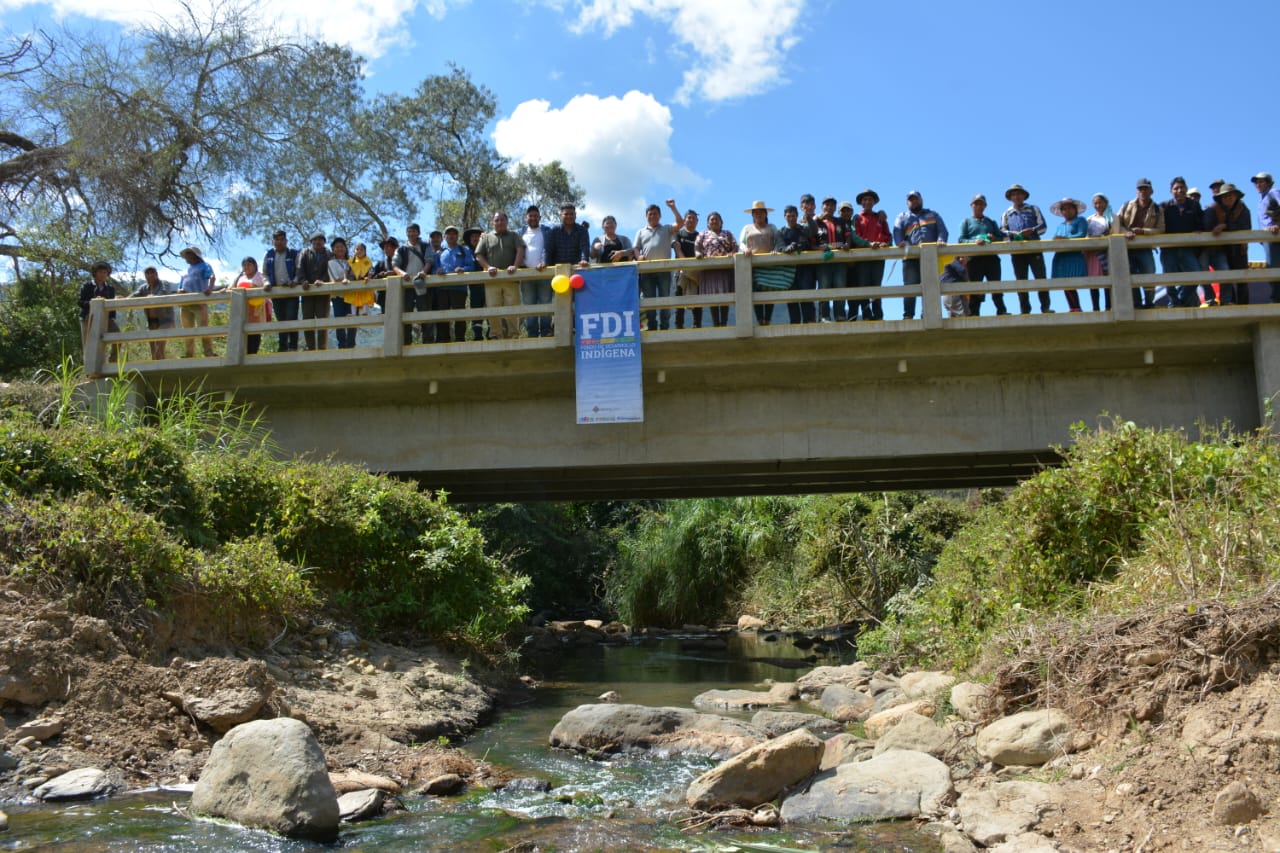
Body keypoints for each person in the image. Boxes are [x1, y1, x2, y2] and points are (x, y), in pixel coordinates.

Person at [892, 190, 948, 320]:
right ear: (907, 203)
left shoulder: (933, 215)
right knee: (910, 287)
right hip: (910, 258)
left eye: (916, 199)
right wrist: (900, 241)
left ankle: (927, 314)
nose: (914, 201)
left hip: (930, 258)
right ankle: (908, 315)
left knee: (930, 285)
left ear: (921, 200)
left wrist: (941, 240)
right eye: (911, 200)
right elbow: (897, 231)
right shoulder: (902, 217)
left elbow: (943, 231)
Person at [1113, 178, 1165, 309]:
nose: (1143, 191)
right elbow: (1117, 223)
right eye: (1140, 189)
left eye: (1145, 188)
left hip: (1145, 248)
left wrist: (1143, 231)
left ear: (1151, 191)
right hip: (1128, 247)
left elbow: (1161, 229)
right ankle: (1136, 303)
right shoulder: (1127, 205)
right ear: (1136, 191)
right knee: (1129, 275)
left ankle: (1149, 302)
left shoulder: (1158, 209)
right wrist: (1126, 233)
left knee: (1149, 272)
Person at [1000, 184, 1051, 314]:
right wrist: (1012, 234)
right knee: (1021, 280)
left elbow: (1043, 227)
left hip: (1034, 248)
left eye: (1019, 194)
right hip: (1017, 251)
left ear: (1024, 195)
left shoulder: (1033, 209)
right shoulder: (1006, 213)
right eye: (1014, 194)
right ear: (1011, 197)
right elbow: (1002, 233)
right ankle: (1025, 309)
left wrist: (1032, 231)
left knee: (1041, 278)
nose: (1017, 196)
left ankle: (1045, 307)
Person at [474, 211, 526, 340]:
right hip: (492, 280)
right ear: (493, 222)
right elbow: (479, 255)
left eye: (502, 220)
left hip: (511, 278)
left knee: (512, 307)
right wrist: (488, 267)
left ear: (507, 222)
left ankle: (513, 335)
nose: (500, 222)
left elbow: (520, 250)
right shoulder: (486, 237)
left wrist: (515, 266)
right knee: (493, 308)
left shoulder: (514, 235)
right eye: (497, 220)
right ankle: (496, 334)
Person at [956, 193, 1006, 315]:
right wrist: (974, 241)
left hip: (991, 258)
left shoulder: (991, 222)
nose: (978, 206)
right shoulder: (966, 222)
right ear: (971, 206)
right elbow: (961, 239)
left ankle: (1001, 310)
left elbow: (1001, 237)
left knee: (996, 285)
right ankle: (974, 313)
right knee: (975, 287)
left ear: (985, 206)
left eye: (981, 204)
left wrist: (993, 238)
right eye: (976, 204)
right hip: (974, 259)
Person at [1202, 183, 1251, 305]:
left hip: (1239, 249)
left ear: (1236, 196)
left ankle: (1244, 306)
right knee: (1226, 276)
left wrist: (1225, 226)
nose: (1228, 198)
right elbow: (1209, 227)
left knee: (1242, 279)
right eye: (1224, 196)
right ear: (1221, 198)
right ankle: (1230, 302)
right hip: (1223, 249)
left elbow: (1245, 227)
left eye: (1231, 195)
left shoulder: (1243, 209)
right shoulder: (1213, 209)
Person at [739, 200, 785, 325]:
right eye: (756, 212)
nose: (758, 214)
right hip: (752, 263)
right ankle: (759, 318)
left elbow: (778, 240)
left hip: (769, 263)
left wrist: (775, 250)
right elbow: (741, 243)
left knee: (769, 288)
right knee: (755, 289)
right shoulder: (747, 228)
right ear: (752, 215)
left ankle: (768, 318)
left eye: (761, 212)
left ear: (766, 214)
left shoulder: (772, 227)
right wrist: (745, 249)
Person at [1161, 176, 1204, 308]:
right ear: (1171, 191)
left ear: (1186, 189)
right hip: (1168, 248)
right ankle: (1174, 303)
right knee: (1169, 278)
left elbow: (1201, 223)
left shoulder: (1194, 205)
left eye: (1182, 187)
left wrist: (1198, 230)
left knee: (1196, 275)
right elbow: (1157, 225)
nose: (1179, 190)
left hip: (1187, 248)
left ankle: (1178, 300)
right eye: (1176, 188)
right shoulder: (1164, 206)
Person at [851, 189, 892, 320]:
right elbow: (854, 236)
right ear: (861, 203)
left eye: (870, 199)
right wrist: (868, 244)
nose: (867, 201)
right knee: (863, 285)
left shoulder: (880, 218)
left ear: (874, 202)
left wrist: (886, 244)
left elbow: (888, 236)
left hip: (878, 257)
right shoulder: (857, 218)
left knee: (876, 286)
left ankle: (878, 314)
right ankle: (866, 315)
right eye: (865, 199)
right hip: (862, 257)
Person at [694, 211, 738, 327]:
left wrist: (731, 253)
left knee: (724, 296)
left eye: (716, 219)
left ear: (721, 222)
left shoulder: (727, 233)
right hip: (709, 270)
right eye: (711, 219)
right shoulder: (703, 234)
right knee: (712, 297)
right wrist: (698, 254)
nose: (714, 221)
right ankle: (715, 323)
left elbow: (735, 246)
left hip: (724, 270)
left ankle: (724, 323)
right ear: (708, 223)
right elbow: (697, 246)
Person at [393, 223, 434, 344]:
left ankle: (427, 342)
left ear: (418, 233)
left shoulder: (426, 246)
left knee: (424, 312)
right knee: (406, 313)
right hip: (407, 286)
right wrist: (402, 274)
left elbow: (429, 261)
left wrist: (423, 272)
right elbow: (395, 265)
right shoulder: (401, 249)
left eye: (414, 231)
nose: (411, 234)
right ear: (406, 233)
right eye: (409, 231)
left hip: (422, 284)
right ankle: (406, 342)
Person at [813, 197, 852, 321]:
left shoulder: (840, 221)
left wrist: (847, 245)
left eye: (832, 205)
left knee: (840, 285)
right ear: (822, 207)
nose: (829, 207)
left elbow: (848, 236)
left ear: (835, 208)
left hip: (840, 259)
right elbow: (811, 241)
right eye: (826, 205)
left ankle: (840, 315)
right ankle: (824, 316)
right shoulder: (816, 222)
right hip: (823, 260)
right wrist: (818, 248)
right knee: (824, 286)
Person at [433, 225, 474, 343]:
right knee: (442, 316)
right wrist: (437, 271)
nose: (451, 236)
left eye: (454, 234)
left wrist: (463, 269)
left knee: (459, 315)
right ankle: (443, 340)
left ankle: (460, 340)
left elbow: (471, 266)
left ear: (457, 236)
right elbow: (434, 269)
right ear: (444, 237)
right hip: (442, 290)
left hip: (459, 289)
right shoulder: (439, 252)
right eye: (448, 234)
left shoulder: (464, 250)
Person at [779, 203, 817, 324]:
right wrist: (788, 248)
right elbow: (779, 246)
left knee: (806, 293)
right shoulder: (781, 232)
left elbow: (814, 231)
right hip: (788, 270)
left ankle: (809, 320)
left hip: (805, 268)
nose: (791, 218)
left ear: (797, 216)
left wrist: (808, 216)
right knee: (791, 297)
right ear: (784, 216)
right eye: (789, 216)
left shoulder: (802, 229)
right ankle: (794, 322)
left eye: (794, 215)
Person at [262, 230, 300, 352]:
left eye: (282, 239)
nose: (279, 242)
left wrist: (295, 280)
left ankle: (293, 346)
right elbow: (265, 273)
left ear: (286, 241)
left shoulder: (293, 253)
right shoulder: (268, 255)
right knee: (281, 320)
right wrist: (266, 283)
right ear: (273, 241)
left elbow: (299, 271)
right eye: (277, 239)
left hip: (291, 291)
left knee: (291, 317)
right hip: (276, 293)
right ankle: (282, 347)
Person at [519, 206, 553, 338]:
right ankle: (531, 333)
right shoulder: (520, 232)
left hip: (544, 273)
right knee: (529, 305)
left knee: (545, 303)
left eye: (535, 216)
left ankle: (546, 332)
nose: (533, 218)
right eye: (530, 216)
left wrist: (545, 262)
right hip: (526, 274)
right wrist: (485, 235)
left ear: (540, 217)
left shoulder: (547, 231)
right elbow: (504, 234)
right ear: (526, 218)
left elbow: (551, 248)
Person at [1049, 198, 1087, 312]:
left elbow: (1081, 234)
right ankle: (1073, 307)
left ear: (1075, 210)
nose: (1067, 211)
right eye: (1064, 209)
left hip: (1074, 255)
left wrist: (1066, 239)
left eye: (1070, 208)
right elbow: (1055, 237)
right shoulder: (1060, 225)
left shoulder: (1080, 221)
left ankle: (1077, 306)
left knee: (1073, 280)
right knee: (1065, 283)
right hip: (1061, 256)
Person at [178, 245, 216, 357]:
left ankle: (208, 351)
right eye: (186, 255)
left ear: (195, 255)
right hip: (185, 302)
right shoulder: (187, 270)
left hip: (199, 301)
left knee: (203, 327)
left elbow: (212, 276)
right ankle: (189, 353)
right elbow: (182, 285)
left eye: (188, 254)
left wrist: (210, 288)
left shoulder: (204, 266)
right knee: (187, 329)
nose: (186, 257)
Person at [296, 232, 332, 351]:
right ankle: (310, 347)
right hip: (308, 292)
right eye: (315, 240)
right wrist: (303, 280)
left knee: (322, 320)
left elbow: (331, 270)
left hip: (323, 292)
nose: (317, 242)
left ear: (324, 242)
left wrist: (322, 280)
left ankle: (322, 347)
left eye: (320, 240)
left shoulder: (329, 254)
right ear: (311, 242)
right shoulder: (304, 252)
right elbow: (299, 267)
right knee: (307, 319)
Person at [78, 261, 119, 363]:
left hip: (106, 318)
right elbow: (80, 302)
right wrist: (94, 302)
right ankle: (90, 371)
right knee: (88, 344)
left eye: (105, 272)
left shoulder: (110, 288)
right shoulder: (87, 286)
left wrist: (112, 317)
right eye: (100, 272)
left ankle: (112, 362)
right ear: (95, 273)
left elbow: (112, 305)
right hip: (88, 317)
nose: (102, 274)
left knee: (118, 336)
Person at [132, 266, 175, 360]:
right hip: (151, 322)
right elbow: (134, 296)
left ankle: (163, 368)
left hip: (165, 321)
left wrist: (153, 297)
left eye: (152, 273)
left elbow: (164, 292)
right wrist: (123, 299)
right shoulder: (144, 288)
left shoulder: (164, 283)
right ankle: (160, 370)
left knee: (159, 347)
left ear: (156, 274)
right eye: (147, 273)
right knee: (153, 351)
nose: (150, 275)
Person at [1251, 172, 1280, 303]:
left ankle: (1277, 298)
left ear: (1268, 183)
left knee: (1273, 267)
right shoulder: (1261, 198)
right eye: (1256, 182)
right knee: (1272, 267)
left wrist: (1277, 224)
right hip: (1267, 238)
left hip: (1274, 236)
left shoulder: (1273, 192)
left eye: (1261, 181)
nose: (1258, 184)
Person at [673, 209, 702, 329]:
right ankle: (679, 325)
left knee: (697, 298)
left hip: (696, 272)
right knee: (679, 296)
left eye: (693, 218)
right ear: (684, 220)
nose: (691, 220)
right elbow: (676, 247)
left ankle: (697, 324)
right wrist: (685, 264)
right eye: (688, 218)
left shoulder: (699, 236)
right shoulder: (679, 234)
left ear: (697, 221)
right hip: (681, 270)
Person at [1084, 194, 1113, 311]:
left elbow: (1114, 231)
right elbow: (1085, 234)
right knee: (1093, 280)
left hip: (1105, 251)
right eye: (1096, 203)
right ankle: (1095, 307)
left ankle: (1108, 306)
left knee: (1107, 279)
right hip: (1092, 253)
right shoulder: (1090, 219)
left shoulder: (1111, 217)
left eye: (1101, 202)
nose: (1098, 205)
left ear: (1106, 203)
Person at [234, 256, 267, 355]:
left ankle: (253, 354)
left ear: (254, 265)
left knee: (254, 332)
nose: (246, 267)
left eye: (249, 264)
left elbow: (263, 286)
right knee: (242, 332)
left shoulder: (259, 275)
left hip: (256, 308)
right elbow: (231, 287)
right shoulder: (240, 277)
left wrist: (252, 287)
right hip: (242, 309)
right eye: (244, 265)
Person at [327, 237, 356, 348]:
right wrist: (347, 279)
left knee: (352, 319)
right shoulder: (331, 263)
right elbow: (335, 278)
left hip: (352, 294)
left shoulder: (352, 261)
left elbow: (357, 275)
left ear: (346, 248)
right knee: (339, 320)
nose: (340, 249)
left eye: (342, 246)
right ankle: (342, 345)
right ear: (333, 250)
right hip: (338, 295)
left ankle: (351, 344)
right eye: (337, 247)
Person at [344, 241, 377, 318]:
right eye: (357, 249)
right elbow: (346, 270)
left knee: (365, 297)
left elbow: (371, 270)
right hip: (353, 282)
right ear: (354, 251)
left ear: (365, 251)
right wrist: (345, 278)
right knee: (353, 299)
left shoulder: (368, 261)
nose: (359, 251)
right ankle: (353, 313)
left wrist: (368, 277)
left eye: (361, 249)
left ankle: (365, 312)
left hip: (364, 282)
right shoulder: (351, 261)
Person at [463, 228, 486, 341]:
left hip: (488, 284)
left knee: (491, 309)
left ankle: (492, 334)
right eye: (472, 237)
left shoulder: (487, 248)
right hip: (474, 287)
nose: (475, 238)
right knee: (476, 311)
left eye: (477, 236)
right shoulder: (466, 251)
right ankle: (477, 335)